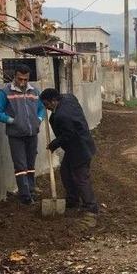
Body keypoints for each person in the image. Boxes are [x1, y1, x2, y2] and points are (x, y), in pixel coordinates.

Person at [39, 88, 99, 216]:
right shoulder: (68, 98)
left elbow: (68, 135)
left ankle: (91, 206)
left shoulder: (62, 116)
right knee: (65, 171)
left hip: (79, 149)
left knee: (81, 177)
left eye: (46, 104)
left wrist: (53, 145)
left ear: (54, 101)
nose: (46, 108)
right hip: (79, 144)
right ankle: (73, 199)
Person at [0, 64, 45, 204]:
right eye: (19, 79)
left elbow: (42, 109)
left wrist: (38, 120)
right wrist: (12, 121)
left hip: (32, 133)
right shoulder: (5, 92)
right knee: (21, 166)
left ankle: (31, 189)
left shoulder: (34, 91)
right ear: (15, 76)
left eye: (25, 79)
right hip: (16, 135)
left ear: (28, 78)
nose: (22, 82)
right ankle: (25, 196)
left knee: (30, 164)